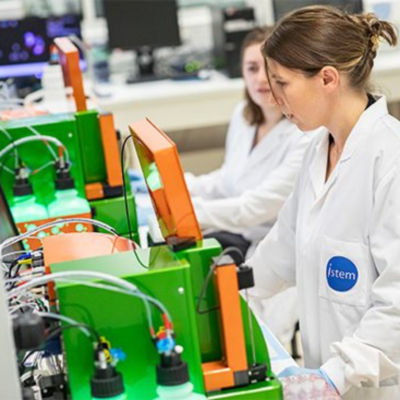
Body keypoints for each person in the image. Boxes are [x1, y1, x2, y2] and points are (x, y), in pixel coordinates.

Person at [248, 5, 399, 399]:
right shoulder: (318, 151)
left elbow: (397, 303)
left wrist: (335, 375)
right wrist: (229, 286)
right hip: (325, 381)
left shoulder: (391, 162)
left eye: (282, 83)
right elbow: (281, 250)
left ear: (328, 78)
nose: (275, 98)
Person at [185, 27, 310, 347]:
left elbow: (256, 207)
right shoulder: (243, 116)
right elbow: (231, 179)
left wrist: (189, 213)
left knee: (264, 340)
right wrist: (184, 184)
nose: (260, 79)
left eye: (269, 69)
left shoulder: (304, 133)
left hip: (282, 245)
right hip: (245, 235)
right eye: (251, 68)